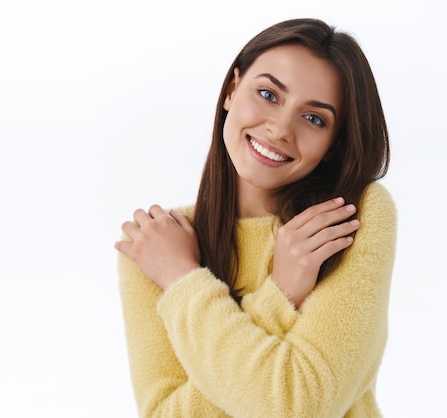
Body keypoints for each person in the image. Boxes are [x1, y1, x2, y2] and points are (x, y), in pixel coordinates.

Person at [114, 18, 396, 417]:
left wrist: (181, 281)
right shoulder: (158, 244)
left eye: (314, 118)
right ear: (232, 89)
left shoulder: (352, 215)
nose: (280, 129)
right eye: (268, 94)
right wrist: (278, 295)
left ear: (333, 145)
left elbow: (300, 406)